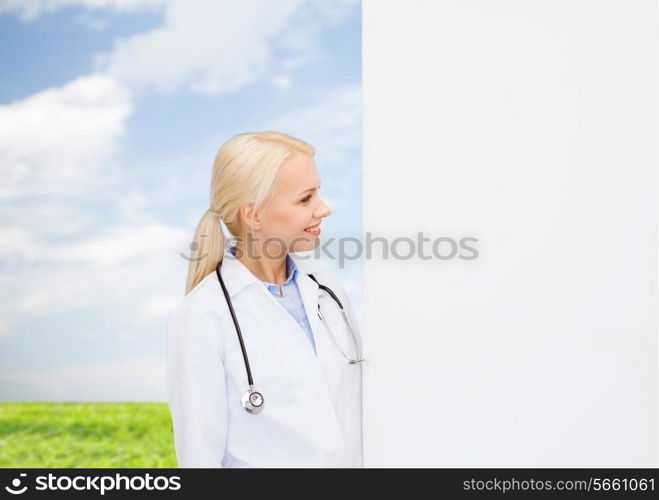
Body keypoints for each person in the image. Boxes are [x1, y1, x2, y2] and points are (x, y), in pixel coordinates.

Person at [165, 131, 364, 468]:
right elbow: (200, 455)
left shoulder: (327, 289)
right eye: (306, 199)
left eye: (320, 193)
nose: (324, 209)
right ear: (254, 215)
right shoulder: (202, 316)